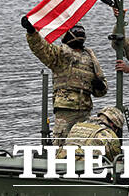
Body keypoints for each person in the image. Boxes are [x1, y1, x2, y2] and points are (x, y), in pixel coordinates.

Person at [21, 16, 108, 145]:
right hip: (65, 111)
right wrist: (31, 32)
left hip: (85, 110)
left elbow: (102, 89)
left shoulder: (90, 57)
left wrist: (100, 86)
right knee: (61, 144)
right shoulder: (60, 55)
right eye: (76, 31)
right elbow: (42, 48)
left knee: (83, 144)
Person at [57, 106, 125, 162]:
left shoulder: (77, 126)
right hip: (84, 168)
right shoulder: (107, 134)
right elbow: (116, 161)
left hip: (62, 161)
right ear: (113, 124)